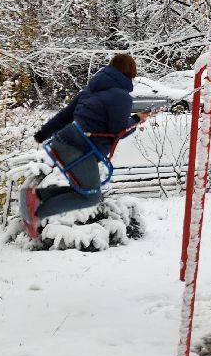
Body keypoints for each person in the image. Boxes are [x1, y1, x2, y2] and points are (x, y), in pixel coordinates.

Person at [24, 53, 151, 236]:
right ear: (131, 72)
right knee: (90, 196)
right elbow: (118, 132)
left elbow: (66, 114)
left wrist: (43, 133)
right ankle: (35, 213)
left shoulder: (91, 90)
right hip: (80, 148)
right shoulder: (121, 97)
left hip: (62, 141)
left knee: (82, 190)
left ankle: (35, 197)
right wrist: (136, 120)